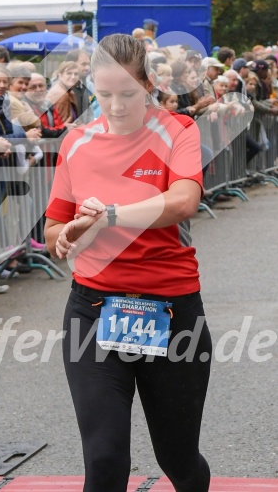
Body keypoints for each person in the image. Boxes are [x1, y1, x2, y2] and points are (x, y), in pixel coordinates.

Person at [44, 34, 211, 492]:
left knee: (178, 459)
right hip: (93, 313)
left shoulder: (178, 130)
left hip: (172, 311)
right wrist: (67, 238)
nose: (115, 106)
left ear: (149, 84)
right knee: (104, 458)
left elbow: (182, 202)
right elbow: (54, 231)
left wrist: (110, 215)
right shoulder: (75, 142)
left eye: (128, 94)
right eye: (104, 95)